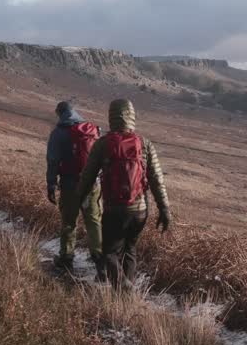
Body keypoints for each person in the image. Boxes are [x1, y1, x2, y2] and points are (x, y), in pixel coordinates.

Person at [75, 98, 171, 288]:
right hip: (140, 211)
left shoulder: (103, 144)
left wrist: (78, 199)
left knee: (109, 252)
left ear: (111, 117)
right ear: (132, 116)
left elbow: (87, 176)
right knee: (130, 249)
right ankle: (125, 296)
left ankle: (123, 288)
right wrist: (164, 209)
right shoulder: (145, 144)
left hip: (114, 210)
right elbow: (157, 179)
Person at [45, 101, 103, 278]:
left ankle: (67, 258)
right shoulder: (90, 130)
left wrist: (51, 184)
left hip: (70, 185)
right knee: (93, 221)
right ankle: (100, 260)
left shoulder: (58, 133)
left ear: (59, 113)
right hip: (92, 184)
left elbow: (53, 161)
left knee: (69, 222)